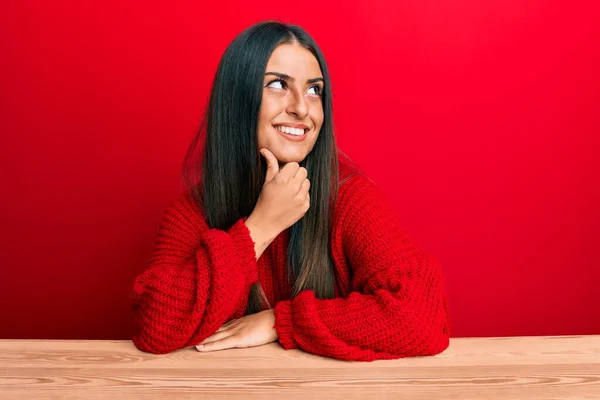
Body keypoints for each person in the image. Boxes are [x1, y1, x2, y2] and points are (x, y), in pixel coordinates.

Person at [131, 20, 451, 362]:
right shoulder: (193, 212)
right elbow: (154, 327)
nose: (302, 108)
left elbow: (422, 319)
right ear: (237, 100)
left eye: (315, 90)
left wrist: (279, 321)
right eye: (279, 85)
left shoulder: (349, 198)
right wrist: (260, 228)